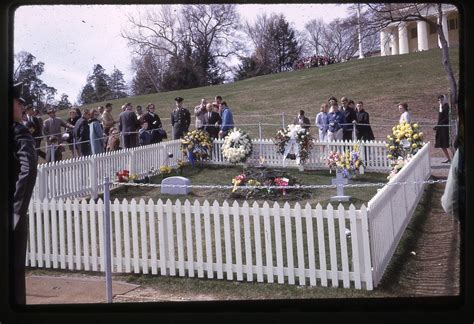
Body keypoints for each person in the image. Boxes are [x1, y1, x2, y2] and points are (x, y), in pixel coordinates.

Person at [12, 82, 37, 305]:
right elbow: (28, 168)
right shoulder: (18, 131)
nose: (22, 106)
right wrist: (17, 210)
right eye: (18, 102)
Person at [434, 94, 451, 163]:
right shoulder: (441, 106)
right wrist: (437, 126)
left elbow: (446, 118)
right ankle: (448, 158)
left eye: (441, 99)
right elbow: (440, 118)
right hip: (441, 127)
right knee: (442, 144)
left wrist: (439, 125)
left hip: (445, 128)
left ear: (444, 99)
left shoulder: (446, 107)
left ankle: (453, 157)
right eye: (439, 100)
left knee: (447, 143)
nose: (440, 101)